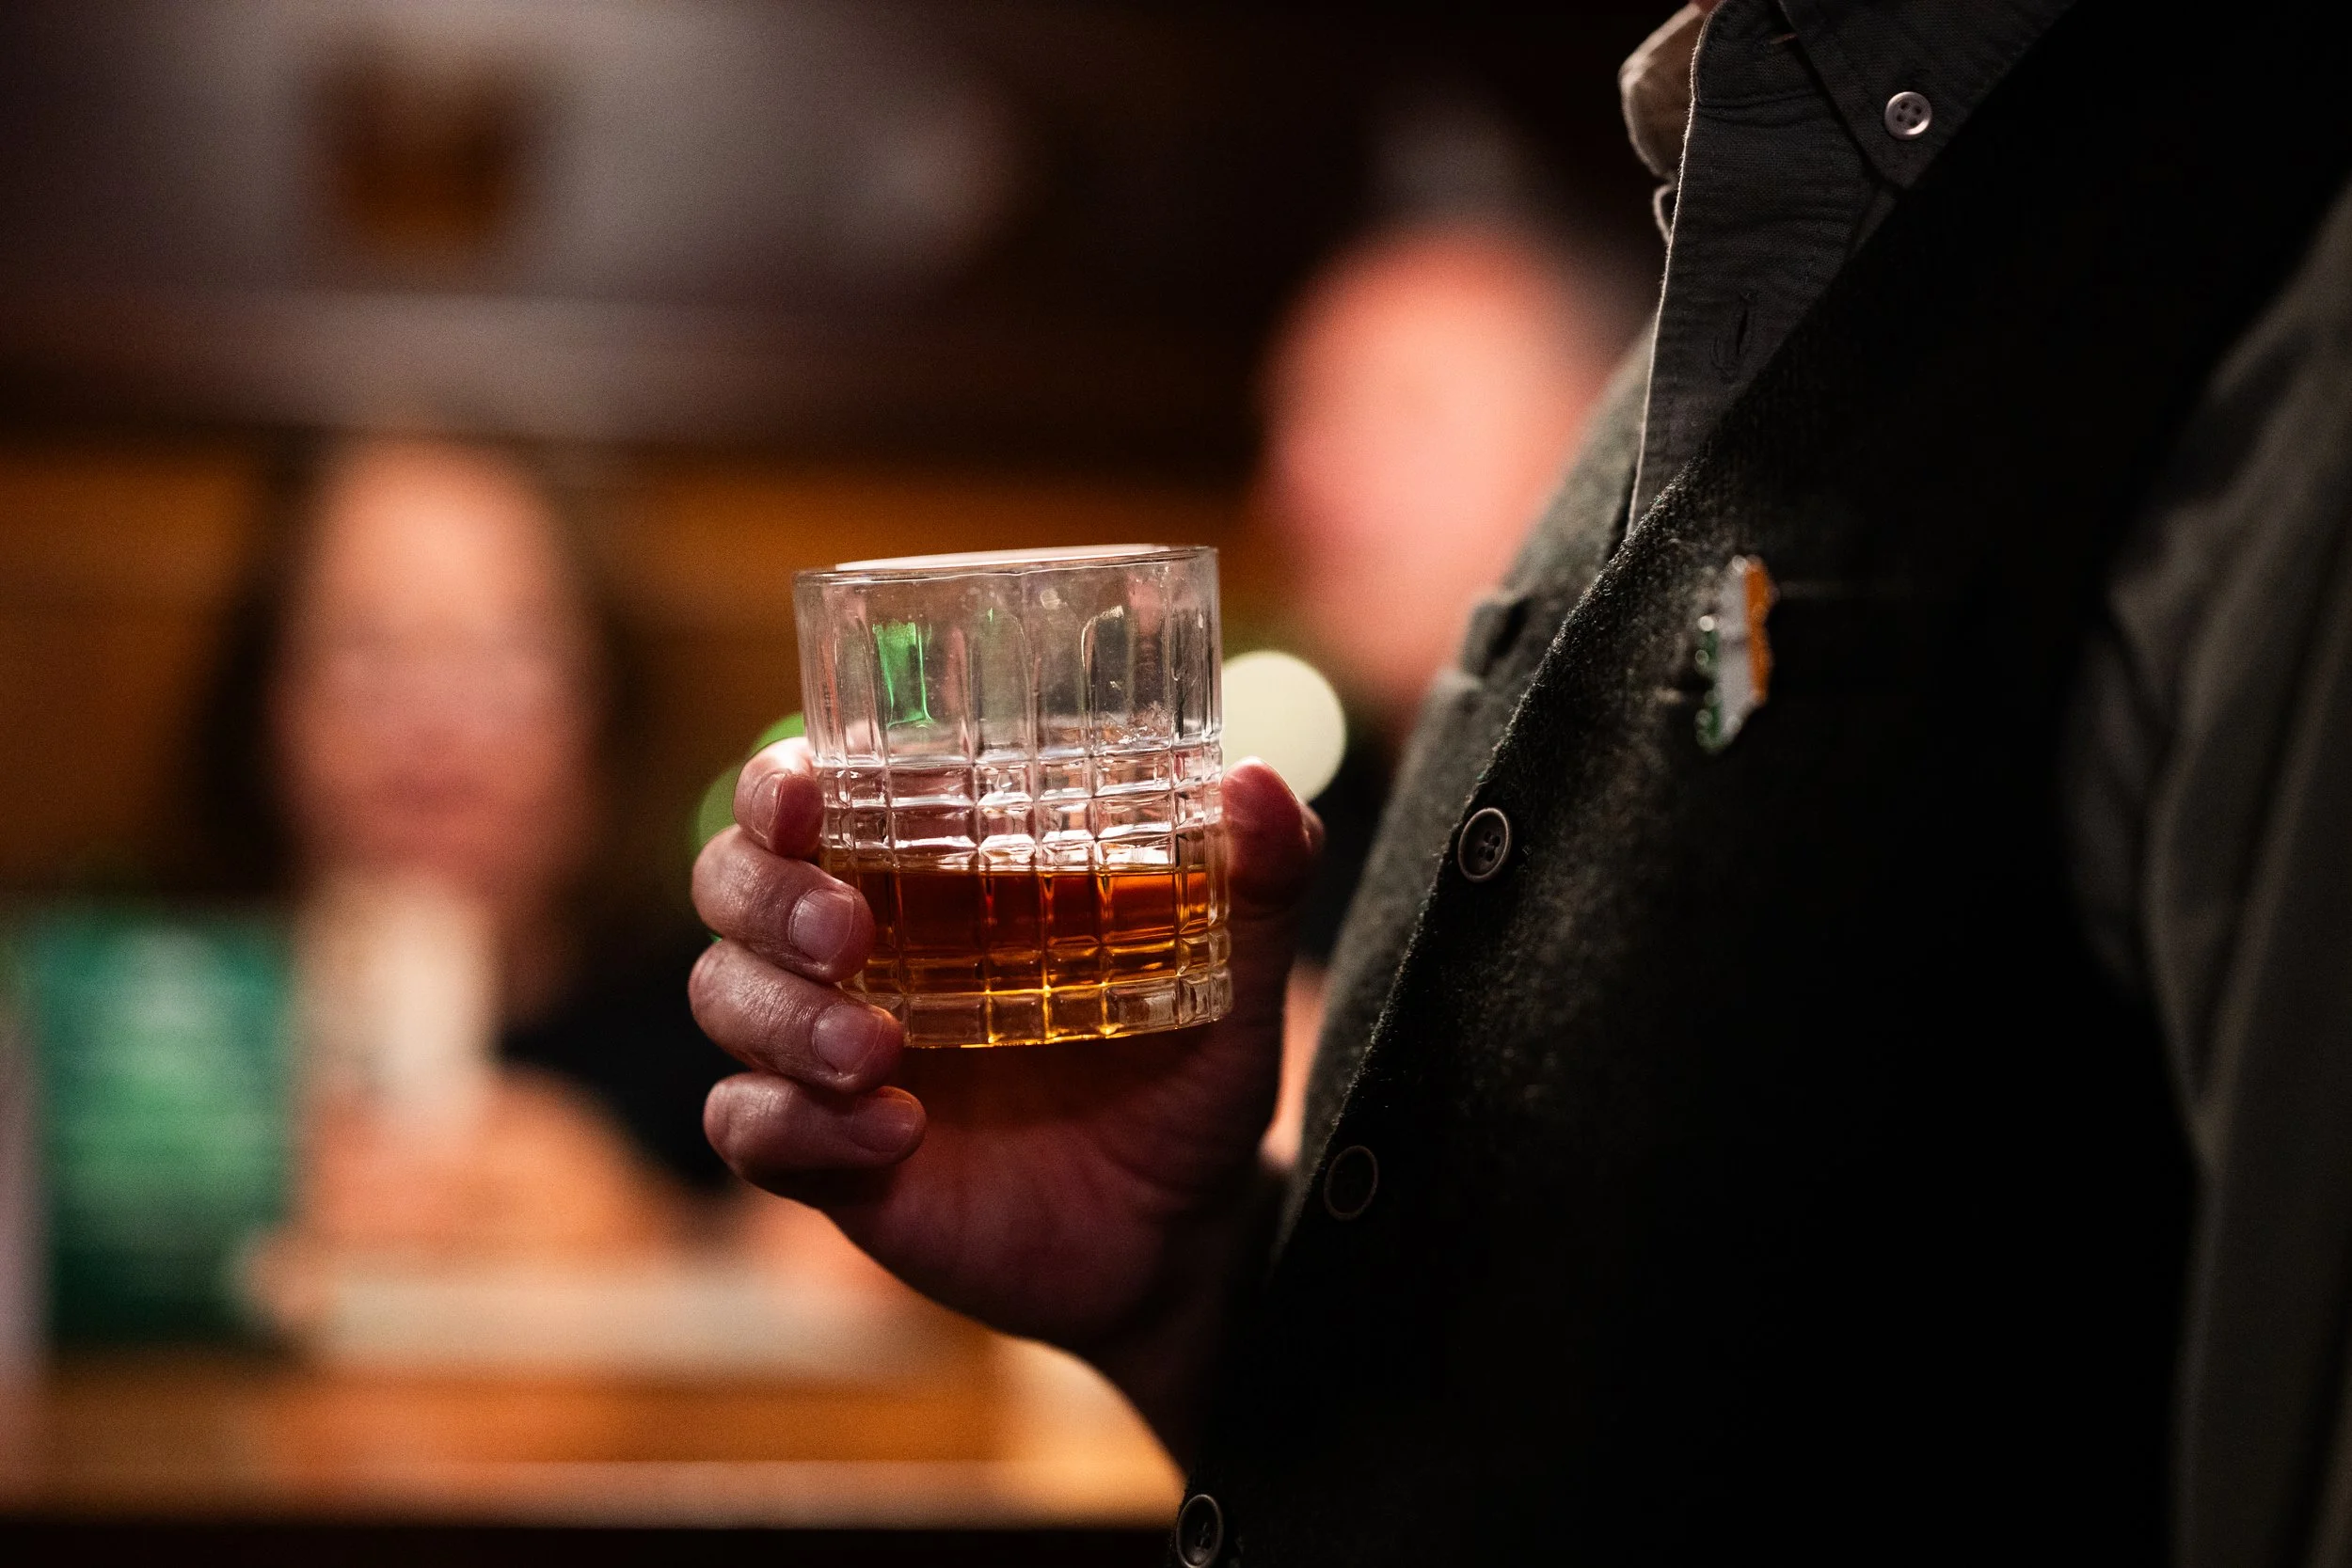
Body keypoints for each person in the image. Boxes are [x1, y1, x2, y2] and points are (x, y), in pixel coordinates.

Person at [688, 2, 2352, 1561]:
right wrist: (1188, 1294)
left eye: (1395, 408)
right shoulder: (1735, 301)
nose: (1309, 474)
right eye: (1298, 416)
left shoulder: (2257, 295)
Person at [198, 436, 741, 1247]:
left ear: (604, 715)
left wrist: (651, 1238)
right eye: (365, 649)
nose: (434, 727)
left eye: (505, 654)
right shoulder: (149, 1021)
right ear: (269, 705)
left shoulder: (725, 1026)